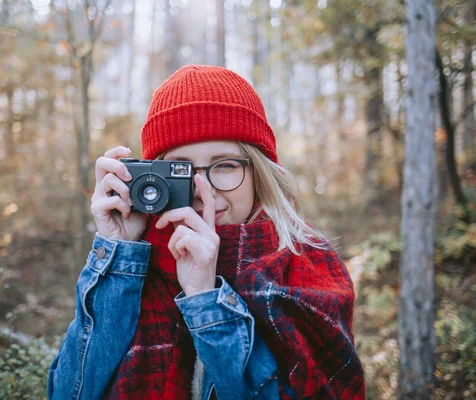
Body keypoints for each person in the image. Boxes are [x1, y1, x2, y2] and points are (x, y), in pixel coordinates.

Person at [47, 65, 365, 399]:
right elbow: (67, 392)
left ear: (259, 172)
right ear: (152, 178)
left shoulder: (307, 268)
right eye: (180, 169)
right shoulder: (134, 266)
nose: (203, 190)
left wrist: (204, 299)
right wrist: (118, 254)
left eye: (225, 165)